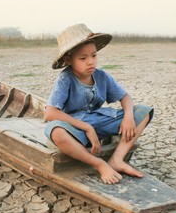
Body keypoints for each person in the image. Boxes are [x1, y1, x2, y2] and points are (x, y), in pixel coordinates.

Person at [44, 24, 154, 184]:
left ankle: (117, 159)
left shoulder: (101, 76)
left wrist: (128, 117)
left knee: (144, 111)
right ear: (68, 60)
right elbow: (50, 113)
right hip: (74, 127)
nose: (90, 62)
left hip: (98, 120)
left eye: (94, 56)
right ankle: (99, 164)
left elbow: (126, 97)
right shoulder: (65, 79)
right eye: (83, 58)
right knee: (56, 132)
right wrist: (86, 128)